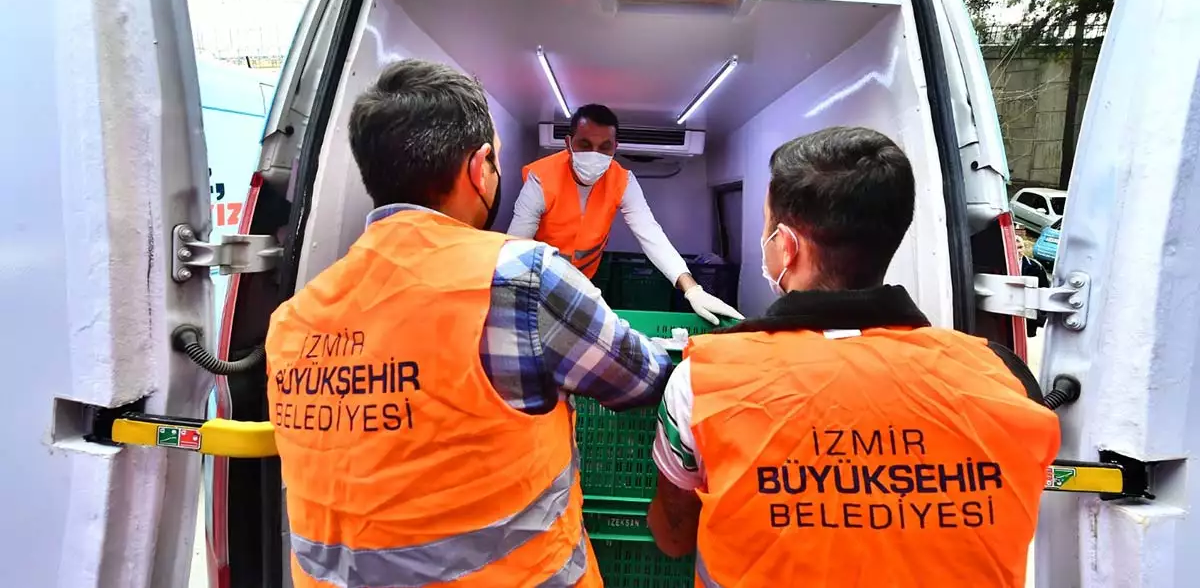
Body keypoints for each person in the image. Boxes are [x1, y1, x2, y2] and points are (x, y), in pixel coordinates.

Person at [265, 60, 673, 588]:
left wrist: (686, 283)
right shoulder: (522, 279)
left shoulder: (294, 320)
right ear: (481, 168)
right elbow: (639, 377)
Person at [647, 126, 1060, 587]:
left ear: (785, 246)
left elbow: (673, 535)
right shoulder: (1005, 376)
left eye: (765, 226)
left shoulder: (703, 380)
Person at [509, 104, 743, 325]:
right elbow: (516, 246)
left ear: (615, 147)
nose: (595, 154)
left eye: (604, 147)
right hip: (538, 278)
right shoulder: (540, 179)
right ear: (569, 143)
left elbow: (650, 234)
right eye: (585, 144)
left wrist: (692, 289)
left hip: (583, 281)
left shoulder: (622, 181)